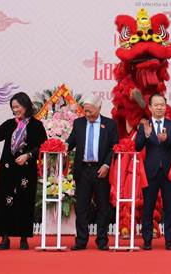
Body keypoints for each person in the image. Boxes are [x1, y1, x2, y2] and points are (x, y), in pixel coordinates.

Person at [0, 92, 47, 250]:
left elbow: (42, 146)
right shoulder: (10, 124)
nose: (15, 110)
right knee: (5, 202)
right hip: (7, 169)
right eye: (13, 107)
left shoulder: (36, 125)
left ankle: (24, 238)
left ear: (26, 106)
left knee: (25, 202)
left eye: (18, 106)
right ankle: (5, 237)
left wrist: (28, 155)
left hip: (26, 170)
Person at [66, 95, 119, 251]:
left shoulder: (110, 124)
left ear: (99, 108)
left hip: (101, 170)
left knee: (103, 207)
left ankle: (102, 240)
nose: (87, 114)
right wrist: (60, 146)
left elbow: (114, 147)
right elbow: (70, 142)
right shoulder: (79, 123)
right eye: (85, 111)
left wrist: (107, 165)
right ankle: (81, 240)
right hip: (83, 170)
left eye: (90, 111)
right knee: (81, 207)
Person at [136, 93, 171, 250]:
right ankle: (147, 240)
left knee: (169, 208)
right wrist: (146, 135)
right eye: (156, 105)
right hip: (150, 172)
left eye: (162, 105)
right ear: (150, 107)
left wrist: (166, 139)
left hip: (168, 172)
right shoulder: (145, 125)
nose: (159, 107)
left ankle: (169, 241)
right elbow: (137, 147)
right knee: (148, 207)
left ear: (166, 106)